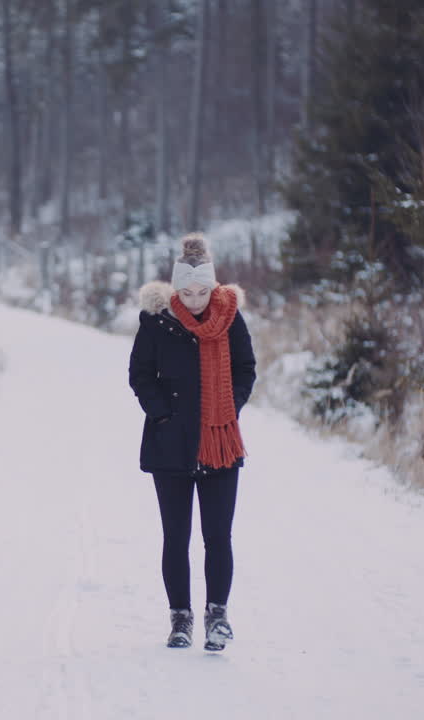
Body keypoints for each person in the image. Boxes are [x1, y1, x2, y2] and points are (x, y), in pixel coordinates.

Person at [128, 232, 257, 651]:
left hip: (219, 441)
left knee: (218, 536)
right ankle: (180, 618)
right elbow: (140, 374)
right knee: (176, 537)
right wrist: (162, 412)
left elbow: (245, 369)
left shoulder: (230, 316)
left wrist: (229, 408)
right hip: (171, 444)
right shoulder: (157, 321)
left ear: (214, 287)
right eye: (188, 291)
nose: (197, 299)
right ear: (176, 288)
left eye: (203, 290)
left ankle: (217, 616)